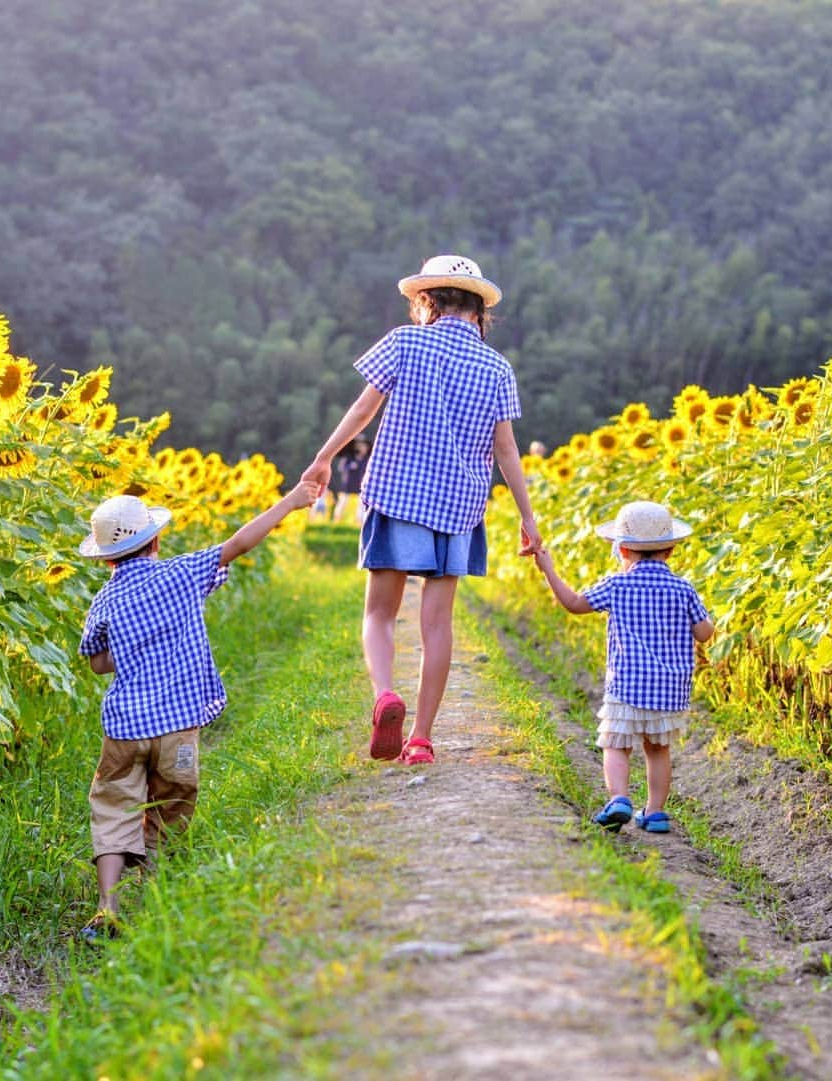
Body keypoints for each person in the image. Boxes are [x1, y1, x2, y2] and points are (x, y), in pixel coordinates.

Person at [301, 254, 541, 766]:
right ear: (479, 311)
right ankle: (422, 739)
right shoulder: (497, 367)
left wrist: (324, 458)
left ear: (426, 302)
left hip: (399, 492)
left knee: (380, 615)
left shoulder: (405, 342)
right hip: (460, 505)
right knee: (437, 624)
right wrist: (528, 517)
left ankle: (386, 694)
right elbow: (506, 452)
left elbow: (364, 409)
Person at [76, 482, 316, 940]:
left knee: (114, 806)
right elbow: (239, 544)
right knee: (171, 804)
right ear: (155, 540)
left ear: (107, 558)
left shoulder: (104, 600)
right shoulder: (182, 574)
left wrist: (131, 646)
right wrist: (290, 502)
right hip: (178, 727)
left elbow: (97, 662)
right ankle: (155, 891)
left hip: (125, 727)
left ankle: (107, 906)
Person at [532, 500, 714, 833]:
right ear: (670, 550)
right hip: (669, 689)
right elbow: (704, 633)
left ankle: (619, 798)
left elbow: (574, 604)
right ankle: (655, 812)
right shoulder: (683, 587)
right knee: (658, 749)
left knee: (616, 744)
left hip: (627, 685)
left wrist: (549, 570)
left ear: (623, 550)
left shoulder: (616, 585)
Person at [332, 432, 371, 523]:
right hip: (348, 484)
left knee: (361, 504)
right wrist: (350, 466)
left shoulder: (367, 459)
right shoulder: (349, 457)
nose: (362, 448)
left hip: (360, 484)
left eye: (363, 446)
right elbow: (341, 467)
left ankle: (359, 521)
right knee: (343, 501)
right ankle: (337, 519)